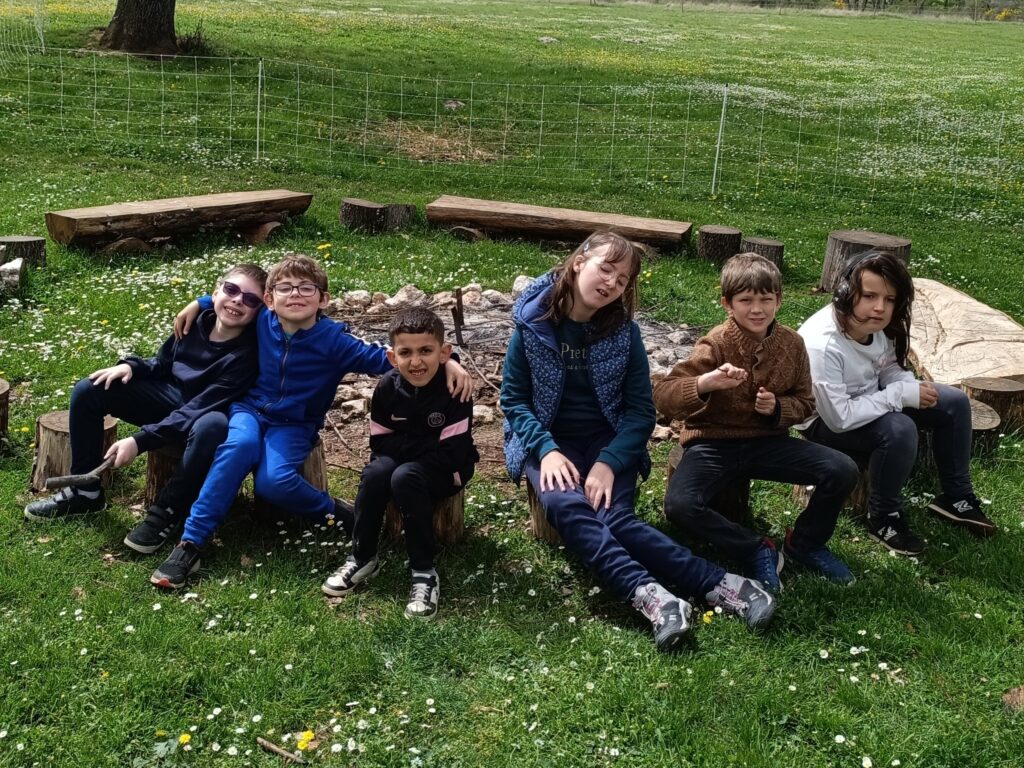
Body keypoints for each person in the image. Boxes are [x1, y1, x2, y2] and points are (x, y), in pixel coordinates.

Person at [501, 231, 775, 653]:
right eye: (605, 269)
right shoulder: (532, 324)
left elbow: (640, 410)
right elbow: (514, 401)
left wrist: (610, 461)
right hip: (549, 439)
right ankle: (659, 597)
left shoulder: (623, 333)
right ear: (579, 262)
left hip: (607, 440)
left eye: (623, 279)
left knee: (614, 518)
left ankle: (724, 586)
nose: (611, 283)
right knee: (563, 503)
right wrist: (546, 449)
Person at [152, 253, 473, 588]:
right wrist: (200, 301)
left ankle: (338, 512)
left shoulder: (335, 341)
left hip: (294, 424)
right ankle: (191, 543)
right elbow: (229, 301)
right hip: (247, 411)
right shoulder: (262, 320)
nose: (295, 295)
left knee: (273, 482)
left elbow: (392, 357)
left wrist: (450, 361)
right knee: (239, 447)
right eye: (286, 288)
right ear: (269, 300)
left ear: (324, 299)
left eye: (307, 288)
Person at [24, 263, 266, 557]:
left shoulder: (247, 354)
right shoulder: (195, 321)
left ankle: (166, 513)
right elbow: (163, 364)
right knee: (90, 389)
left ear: (258, 310)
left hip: (203, 415)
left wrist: (139, 441)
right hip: (169, 398)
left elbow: (198, 408)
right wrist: (131, 366)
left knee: (213, 426)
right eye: (231, 290)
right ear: (216, 291)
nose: (238, 300)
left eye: (250, 299)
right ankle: (85, 491)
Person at [654, 253, 860, 590]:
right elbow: (664, 395)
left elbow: (806, 402)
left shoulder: (793, 344)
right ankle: (756, 548)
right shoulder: (716, 343)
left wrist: (778, 408)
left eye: (766, 299)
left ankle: (806, 544)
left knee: (842, 469)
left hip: (767, 442)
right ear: (727, 304)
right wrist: (706, 383)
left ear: (779, 300)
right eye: (745, 300)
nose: (756, 309)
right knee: (680, 505)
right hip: (712, 441)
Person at [799, 249, 997, 556]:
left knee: (954, 402)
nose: (880, 308)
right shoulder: (822, 344)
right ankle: (883, 517)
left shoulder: (876, 326)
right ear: (844, 293)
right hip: (823, 420)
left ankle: (957, 498)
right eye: (869, 296)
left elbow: (887, 365)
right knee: (900, 428)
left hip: (868, 398)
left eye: (890, 299)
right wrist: (899, 396)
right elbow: (839, 418)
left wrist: (907, 384)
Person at [322, 307, 479, 619]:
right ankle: (363, 556)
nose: (416, 361)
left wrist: (405, 449)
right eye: (405, 352)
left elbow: (451, 452)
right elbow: (380, 444)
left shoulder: (455, 391)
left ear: (444, 352)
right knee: (377, 471)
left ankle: (424, 570)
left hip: (450, 471)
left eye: (426, 351)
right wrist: (420, 444)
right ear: (393, 357)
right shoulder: (387, 388)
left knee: (404, 475)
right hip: (407, 464)